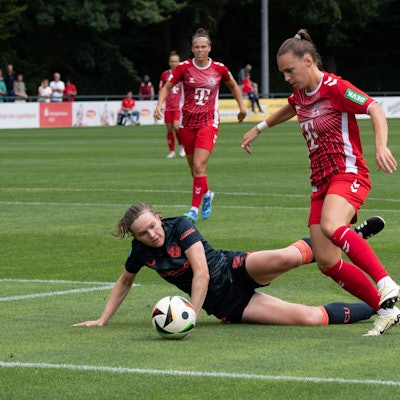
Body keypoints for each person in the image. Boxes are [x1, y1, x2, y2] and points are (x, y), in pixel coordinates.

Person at [241, 29, 400, 337]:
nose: (286, 77)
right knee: (327, 261)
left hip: (348, 172)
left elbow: (374, 108)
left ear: (308, 61)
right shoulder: (300, 92)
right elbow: (292, 105)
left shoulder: (335, 87)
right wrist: (260, 127)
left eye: (290, 70)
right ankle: (388, 311)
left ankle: (386, 283)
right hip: (320, 183)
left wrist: (381, 145)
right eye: (282, 72)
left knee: (331, 225)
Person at [72, 203, 389, 333]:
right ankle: (380, 306)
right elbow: (124, 282)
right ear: (135, 236)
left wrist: (189, 317)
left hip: (234, 268)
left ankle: (343, 237)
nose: (151, 234)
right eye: (143, 233)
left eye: (152, 226)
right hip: (228, 304)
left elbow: (202, 273)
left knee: (287, 258)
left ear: (158, 217)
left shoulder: (180, 225)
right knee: (307, 318)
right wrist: (102, 319)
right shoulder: (140, 252)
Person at [154, 28, 247, 223]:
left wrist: (242, 107)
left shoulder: (219, 68)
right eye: (196, 47)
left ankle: (193, 210)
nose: (200, 50)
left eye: (203, 46)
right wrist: (159, 104)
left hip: (208, 122)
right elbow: (167, 87)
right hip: (187, 123)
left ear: (209, 48)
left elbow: (232, 85)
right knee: (194, 170)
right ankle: (207, 195)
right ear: (192, 49)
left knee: (198, 165)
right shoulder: (183, 68)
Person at [159, 51, 186, 159]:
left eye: (176, 61)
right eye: (172, 61)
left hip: (179, 105)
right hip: (168, 106)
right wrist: (160, 104)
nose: (174, 63)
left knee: (176, 127)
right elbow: (162, 89)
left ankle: (181, 147)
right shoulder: (165, 75)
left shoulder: (183, 73)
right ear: (169, 63)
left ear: (179, 62)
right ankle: (171, 151)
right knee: (169, 129)